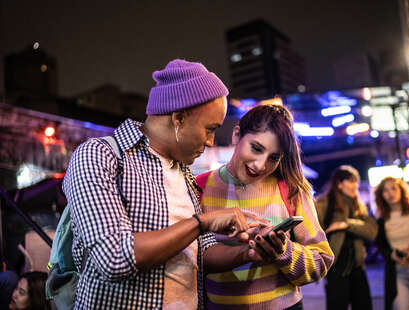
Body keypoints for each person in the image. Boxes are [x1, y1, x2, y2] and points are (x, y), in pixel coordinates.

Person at [63, 59, 271, 309]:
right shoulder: (99, 156)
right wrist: (201, 222)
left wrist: (248, 252)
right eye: (210, 129)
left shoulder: (184, 174)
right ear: (179, 118)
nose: (211, 141)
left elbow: (199, 253)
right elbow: (114, 257)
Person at [196, 104, 334, 309]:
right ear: (236, 135)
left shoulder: (292, 190)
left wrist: (283, 251)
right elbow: (190, 261)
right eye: (256, 148)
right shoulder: (199, 186)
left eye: (273, 158)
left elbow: (321, 262)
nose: (261, 165)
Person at [315, 165, 378, 310]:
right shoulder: (324, 204)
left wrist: (346, 224)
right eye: (351, 181)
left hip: (357, 267)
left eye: (356, 180)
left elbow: (372, 231)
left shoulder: (359, 206)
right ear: (339, 184)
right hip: (335, 268)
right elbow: (313, 234)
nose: (355, 185)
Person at [375, 177, 409, 310]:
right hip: (398, 273)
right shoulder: (381, 219)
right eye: (385, 191)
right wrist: (392, 255)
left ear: (401, 190)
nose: (390, 193)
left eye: (393, 188)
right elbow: (380, 245)